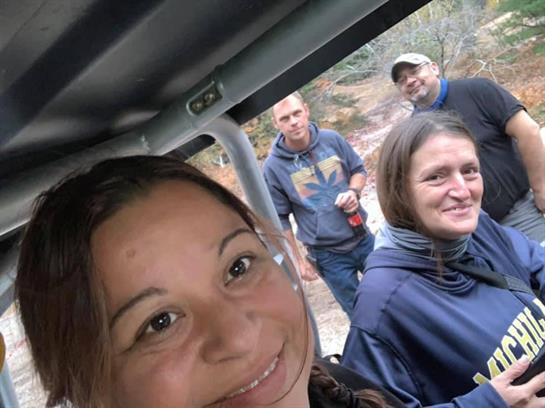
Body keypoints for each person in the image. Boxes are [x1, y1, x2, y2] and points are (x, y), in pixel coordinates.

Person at [15, 155, 403, 408]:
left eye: (238, 267)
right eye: (160, 322)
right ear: (88, 392)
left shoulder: (336, 387)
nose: (239, 337)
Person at [341, 111, 545, 407]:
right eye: (436, 176)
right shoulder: (382, 305)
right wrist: (488, 404)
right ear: (400, 190)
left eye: (469, 171)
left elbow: (535, 261)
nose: (462, 191)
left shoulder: (479, 228)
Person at [391, 52, 545, 244]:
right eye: (401, 80)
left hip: (519, 215)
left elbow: (528, 132)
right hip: (471, 237)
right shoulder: (412, 133)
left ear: (434, 68)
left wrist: (541, 189)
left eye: (415, 71)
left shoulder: (477, 90)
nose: (409, 81)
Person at [263, 92, 374, 318]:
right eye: (285, 118)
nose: (294, 122)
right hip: (328, 255)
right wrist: (298, 262)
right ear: (276, 124)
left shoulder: (331, 139)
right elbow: (280, 219)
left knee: (393, 294)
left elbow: (358, 170)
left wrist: (353, 192)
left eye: (297, 113)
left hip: (362, 237)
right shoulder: (273, 167)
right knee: (360, 314)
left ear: (306, 110)